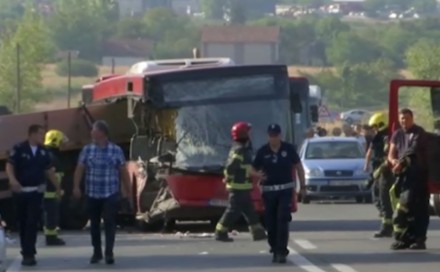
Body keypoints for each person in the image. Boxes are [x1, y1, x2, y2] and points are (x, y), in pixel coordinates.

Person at [73, 120, 132, 264]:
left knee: (110, 222)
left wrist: (128, 192)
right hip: (92, 193)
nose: (91, 132)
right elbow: (80, 168)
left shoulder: (115, 150)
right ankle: (97, 252)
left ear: (102, 133)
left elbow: (123, 172)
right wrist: (76, 187)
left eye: (94, 130)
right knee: (94, 224)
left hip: (110, 193)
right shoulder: (87, 150)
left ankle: (109, 252)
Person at [5, 124, 61, 266]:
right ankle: (26, 250)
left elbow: (49, 171)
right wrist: (12, 180)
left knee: (32, 222)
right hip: (21, 192)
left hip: (36, 192)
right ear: (31, 134)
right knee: (23, 223)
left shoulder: (43, 152)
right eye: (40, 134)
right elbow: (9, 165)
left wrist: (58, 188)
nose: (42, 137)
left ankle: (30, 253)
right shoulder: (19, 148)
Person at [253, 124, 306, 264]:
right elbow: (251, 169)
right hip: (269, 192)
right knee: (270, 223)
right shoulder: (262, 151)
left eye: (275, 135)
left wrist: (303, 186)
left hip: (285, 191)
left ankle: (281, 251)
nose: (273, 138)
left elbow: (299, 167)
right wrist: (258, 175)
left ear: (280, 136)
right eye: (271, 136)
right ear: (268, 136)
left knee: (282, 220)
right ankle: (274, 247)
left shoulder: (288, 149)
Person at [214, 122, 267, 242]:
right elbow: (232, 166)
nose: (250, 134)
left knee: (249, 210)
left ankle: (258, 232)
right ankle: (220, 232)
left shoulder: (239, 148)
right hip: (238, 186)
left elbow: (243, 166)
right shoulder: (240, 149)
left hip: (242, 186)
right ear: (243, 134)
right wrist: (230, 177)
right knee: (232, 210)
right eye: (248, 132)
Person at [387, 108, 429, 250]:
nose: (404, 120)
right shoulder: (397, 134)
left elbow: (412, 151)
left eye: (407, 118)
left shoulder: (419, 132)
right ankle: (404, 239)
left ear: (412, 118)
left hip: (417, 176)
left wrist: (401, 163)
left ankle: (419, 239)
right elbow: (391, 153)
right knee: (405, 209)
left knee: (417, 209)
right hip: (402, 177)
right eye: (402, 118)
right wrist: (393, 162)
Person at [364, 112, 393, 238]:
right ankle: (387, 222)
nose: (374, 129)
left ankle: (387, 227)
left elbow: (387, 157)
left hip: (385, 171)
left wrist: (376, 172)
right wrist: (367, 166)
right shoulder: (378, 137)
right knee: (378, 197)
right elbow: (370, 152)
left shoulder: (387, 137)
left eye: (375, 126)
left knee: (384, 199)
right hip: (378, 170)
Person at [43, 129, 68, 246]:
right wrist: (58, 188)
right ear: (55, 141)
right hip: (50, 193)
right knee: (51, 216)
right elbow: (51, 173)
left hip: (49, 192)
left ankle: (51, 236)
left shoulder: (47, 154)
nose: (63, 144)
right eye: (61, 141)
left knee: (50, 215)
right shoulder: (52, 156)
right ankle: (51, 238)